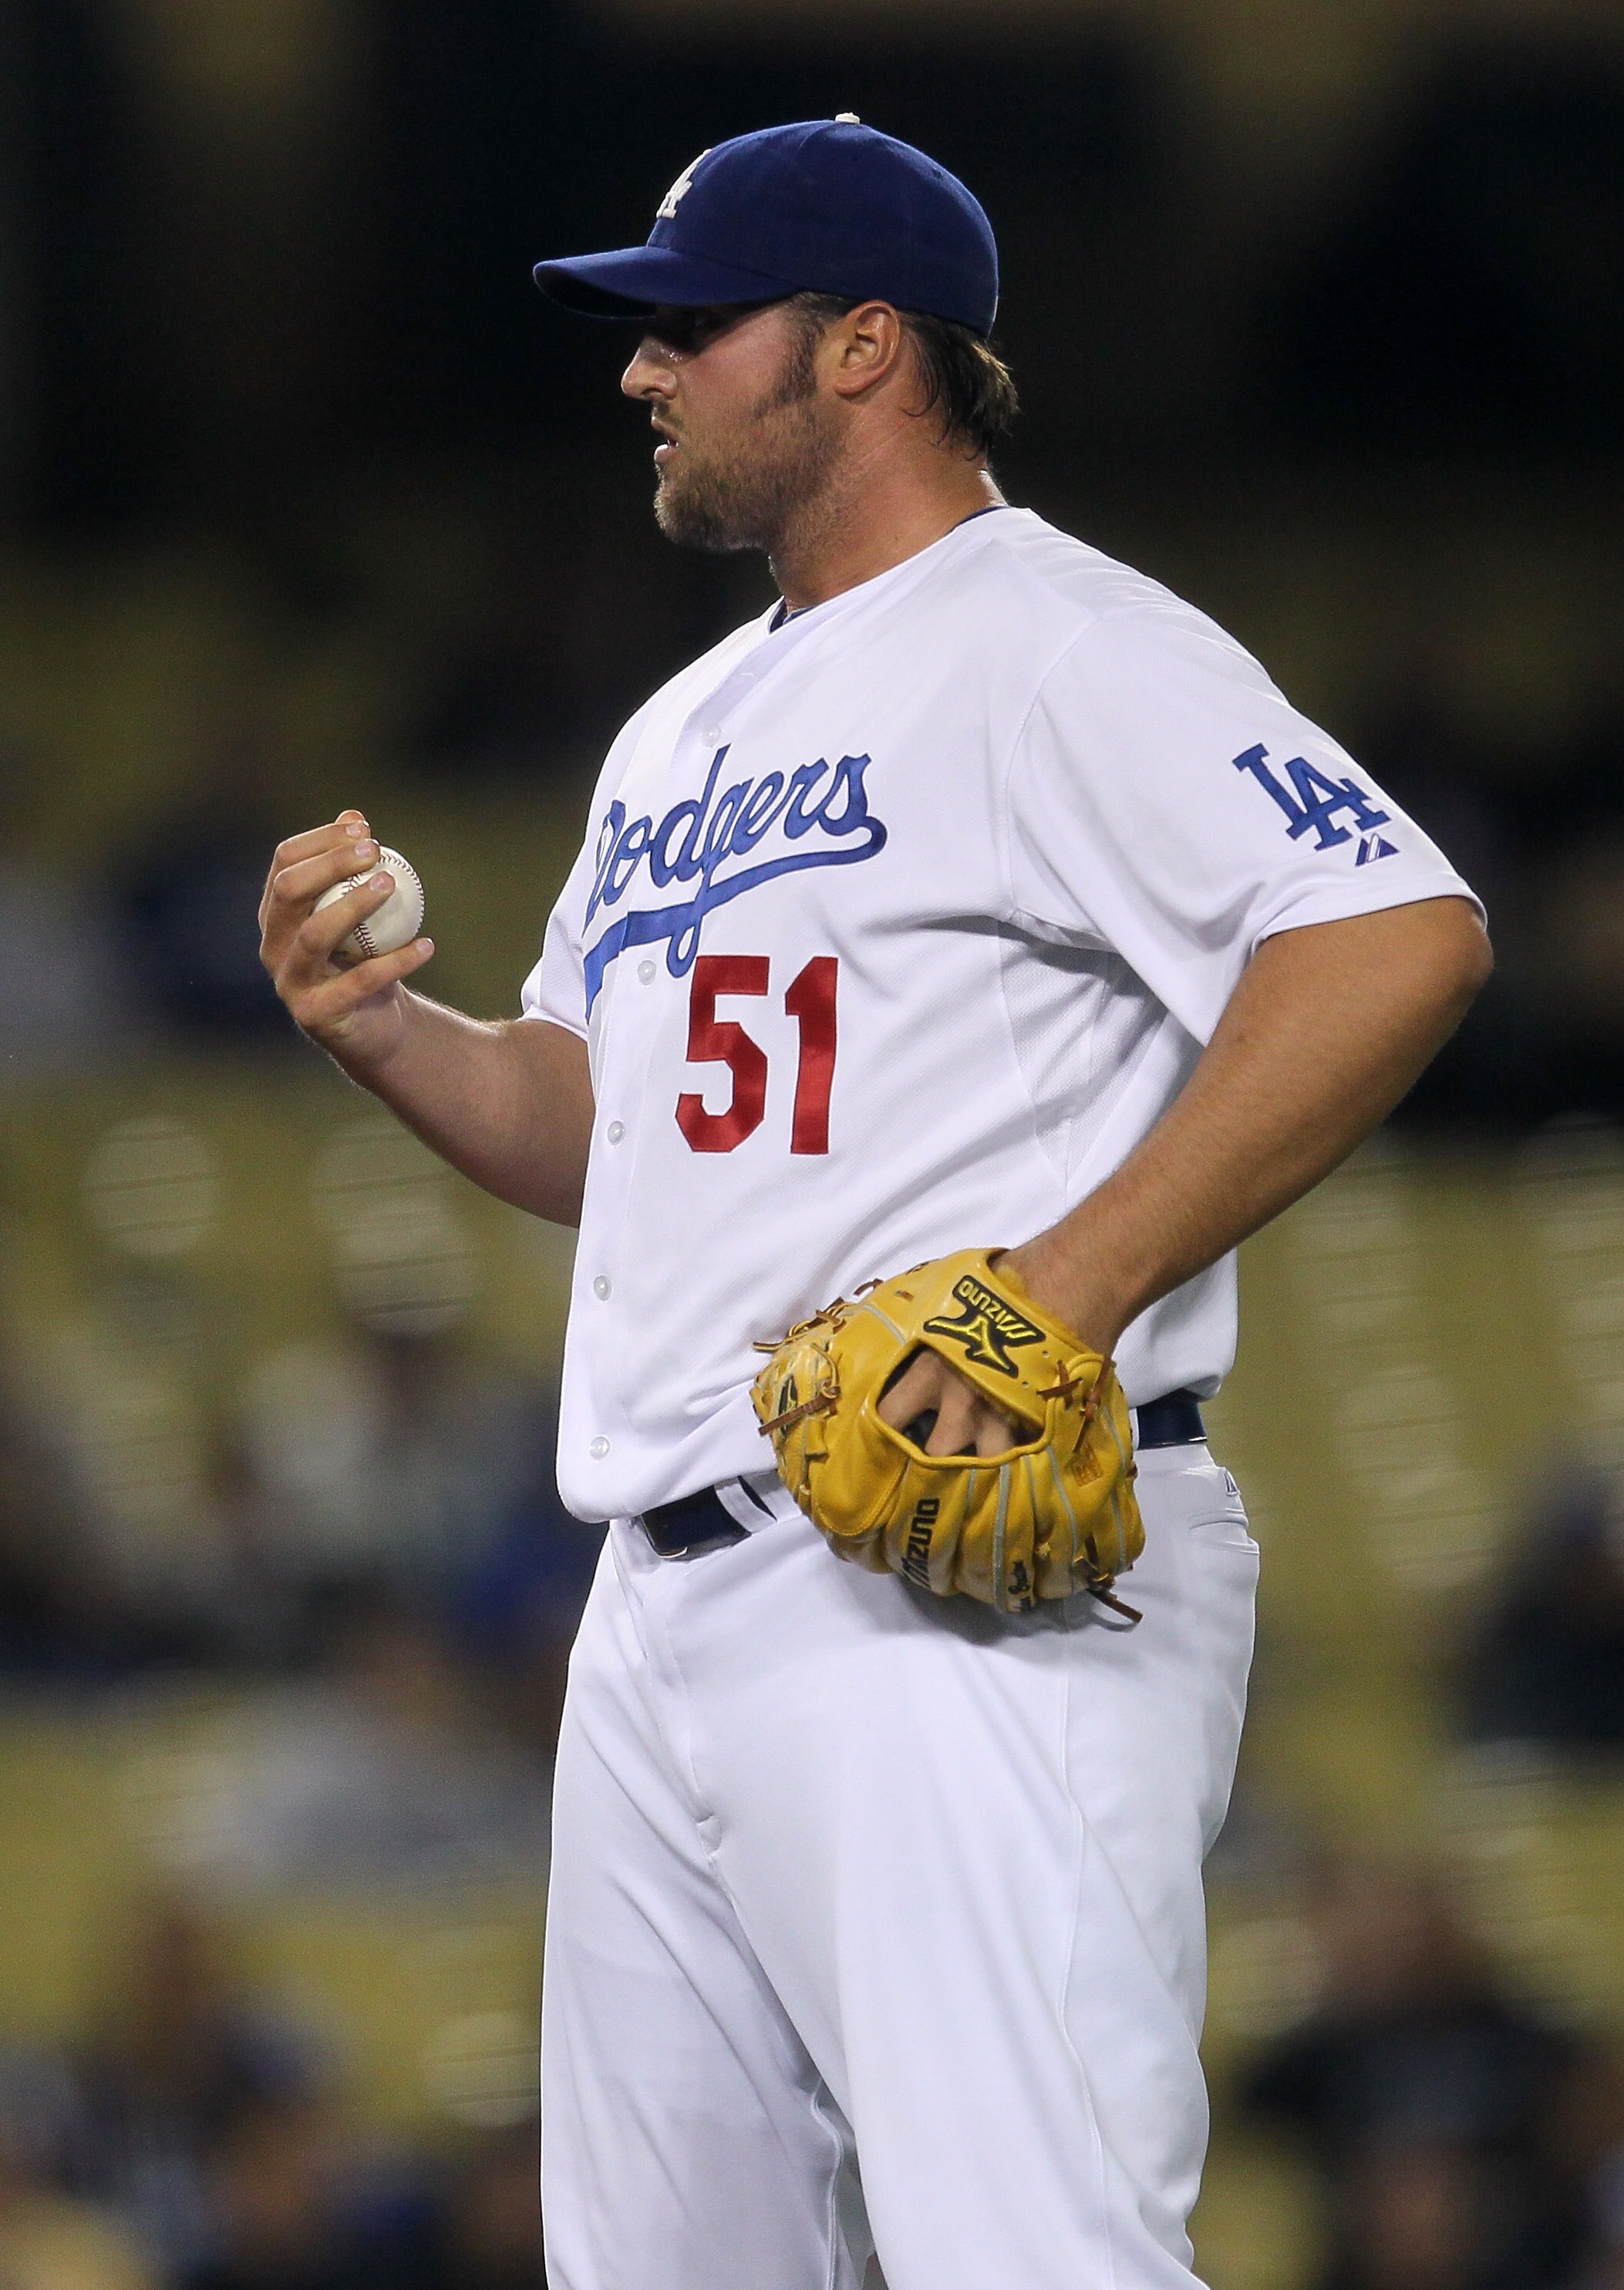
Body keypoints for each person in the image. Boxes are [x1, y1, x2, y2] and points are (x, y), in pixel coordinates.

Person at [259, 117, 1491, 2290]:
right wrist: (386, 1032)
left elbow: (1392, 934)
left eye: (686, 326)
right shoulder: (677, 731)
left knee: (1033, 2257)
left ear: (860, 347)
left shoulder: (1056, 643)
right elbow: (597, 1119)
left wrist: (1065, 1290)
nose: (639, 370)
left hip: (948, 1588)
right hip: (659, 1596)